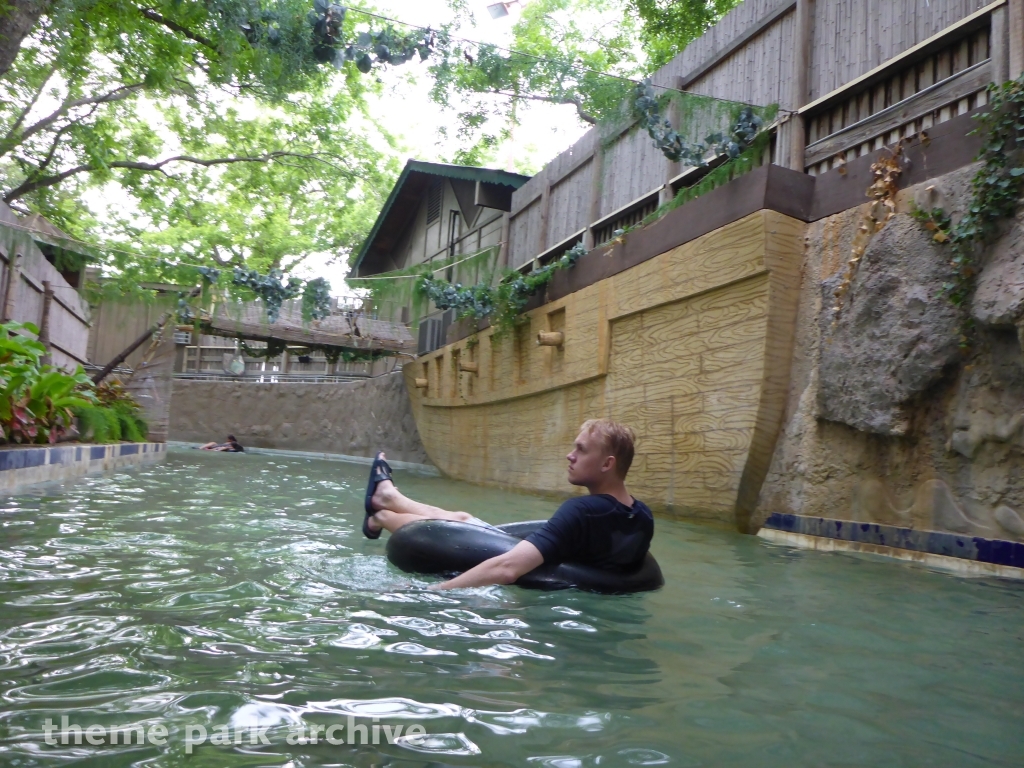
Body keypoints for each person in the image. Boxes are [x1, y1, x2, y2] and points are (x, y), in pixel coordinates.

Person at [362, 419, 653, 590]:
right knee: (462, 518)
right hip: (574, 576)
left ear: (607, 464)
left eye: (580, 449)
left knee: (452, 527)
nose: (570, 455)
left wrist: (435, 591)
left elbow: (506, 569)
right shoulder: (642, 517)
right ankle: (386, 501)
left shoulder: (581, 511)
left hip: (513, 592)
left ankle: (382, 514)